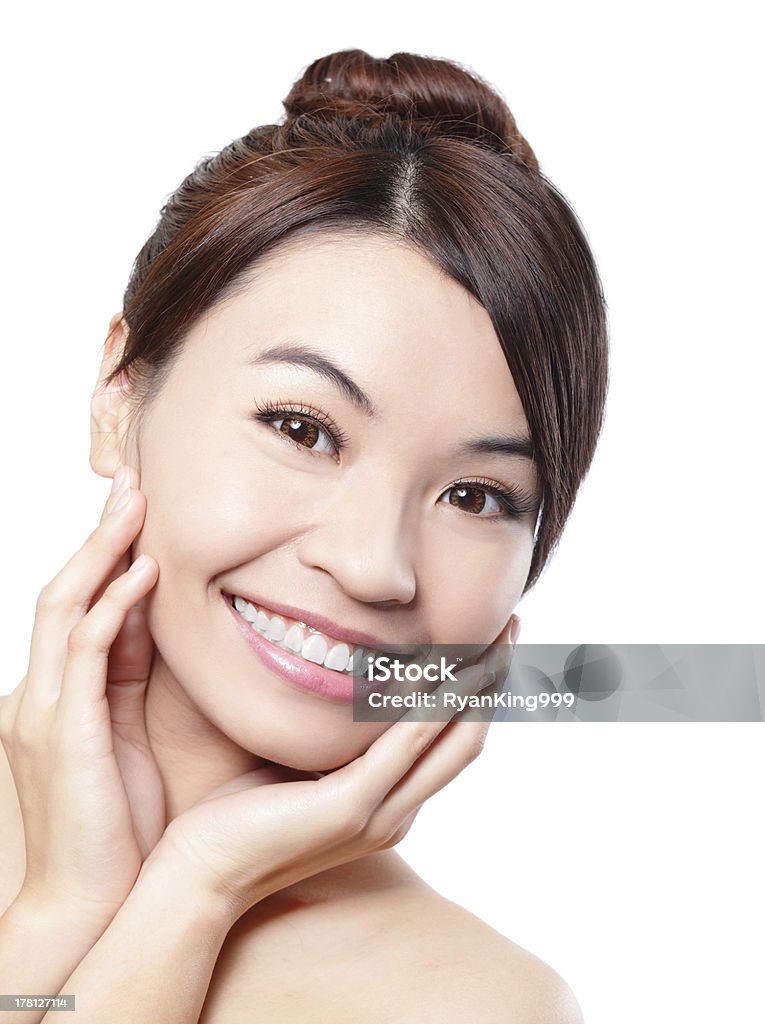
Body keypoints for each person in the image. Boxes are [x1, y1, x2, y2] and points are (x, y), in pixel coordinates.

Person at [0, 48, 607, 1023]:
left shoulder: (480, 1007)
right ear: (119, 398)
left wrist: (196, 887)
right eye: (303, 429)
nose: (375, 565)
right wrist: (61, 911)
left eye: (476, 496)